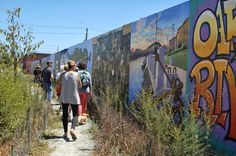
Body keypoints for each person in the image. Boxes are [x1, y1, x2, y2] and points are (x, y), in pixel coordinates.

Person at [59, 60, 82, 140]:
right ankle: (72, 129)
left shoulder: (62, 75)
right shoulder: (77, 74)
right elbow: (80, 86)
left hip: (64, 96)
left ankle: (65, 133)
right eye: (75, 66)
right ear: (73, 67)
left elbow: (59, 85)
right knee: (75, 113)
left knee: (65, 114)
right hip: (74, 96)